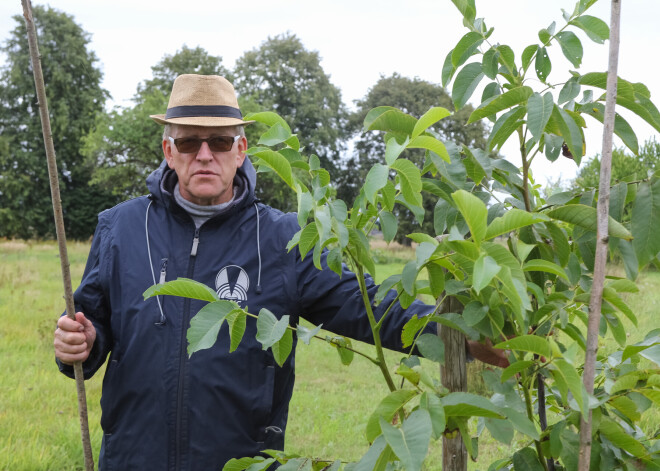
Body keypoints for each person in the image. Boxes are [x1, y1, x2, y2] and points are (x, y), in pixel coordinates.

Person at [54, 74, 506, 470]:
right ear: (169, 151)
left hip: (243, 462)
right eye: (190, 142)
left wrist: (457, 335)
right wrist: (81, 343)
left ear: (242, 149)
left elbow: (366, 306)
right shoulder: (120, 226)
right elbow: (92, 322)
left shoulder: (283, 238)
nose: (205, 155)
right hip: (134, 458)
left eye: (221, 142)